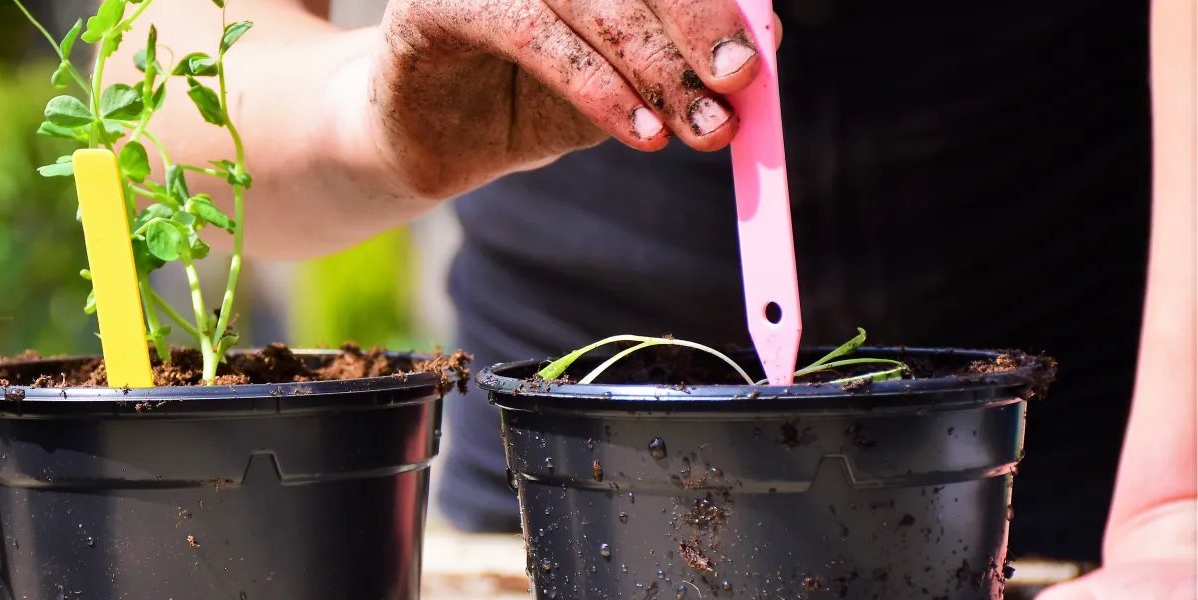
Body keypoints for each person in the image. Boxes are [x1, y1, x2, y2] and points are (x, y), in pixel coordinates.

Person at [114, 0, 1195, 595]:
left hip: (1076, 477)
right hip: (576, 495)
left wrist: (1174, 521)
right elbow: (160, 103)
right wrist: (378, 114)